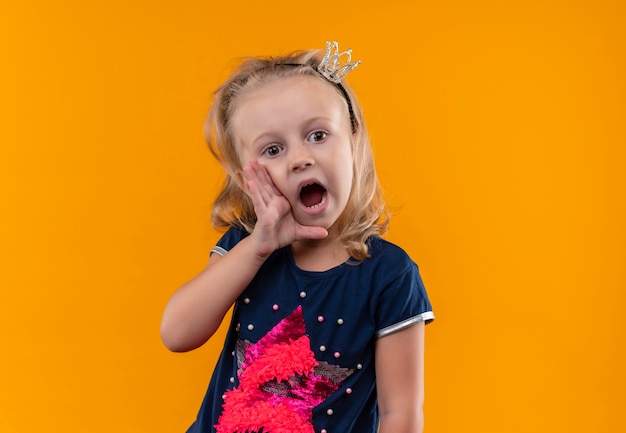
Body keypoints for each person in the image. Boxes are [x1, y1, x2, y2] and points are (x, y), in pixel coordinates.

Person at [160, 41, 434, 433]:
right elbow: (176, 333)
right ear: (248, 180)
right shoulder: (247, 244)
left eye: (318, 135)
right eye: (273, 149)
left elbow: (400, 413)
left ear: (354, 143)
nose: (299, 158)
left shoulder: (388, 273)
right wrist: (258, 247)